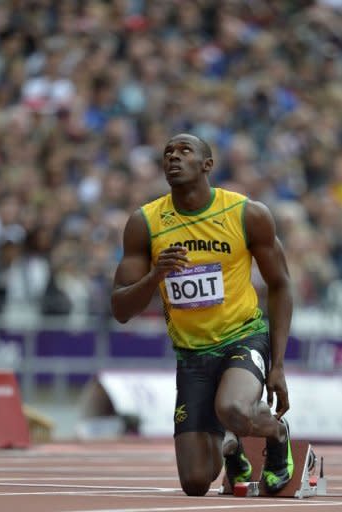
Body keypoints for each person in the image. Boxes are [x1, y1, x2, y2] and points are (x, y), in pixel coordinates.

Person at [111, 133, 294, 496]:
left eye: (184, 151)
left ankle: (276, 435)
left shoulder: (245, 213)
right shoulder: (145, 222)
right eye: (167, 153)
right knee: (195, 482)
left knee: (233, 408)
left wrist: (278, 365)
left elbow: (281, 284)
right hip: (192, 354)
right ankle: (231, 447)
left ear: (207, 165)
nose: (173, 158)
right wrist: (155, 276)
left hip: (242, 336)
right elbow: (120, 309)